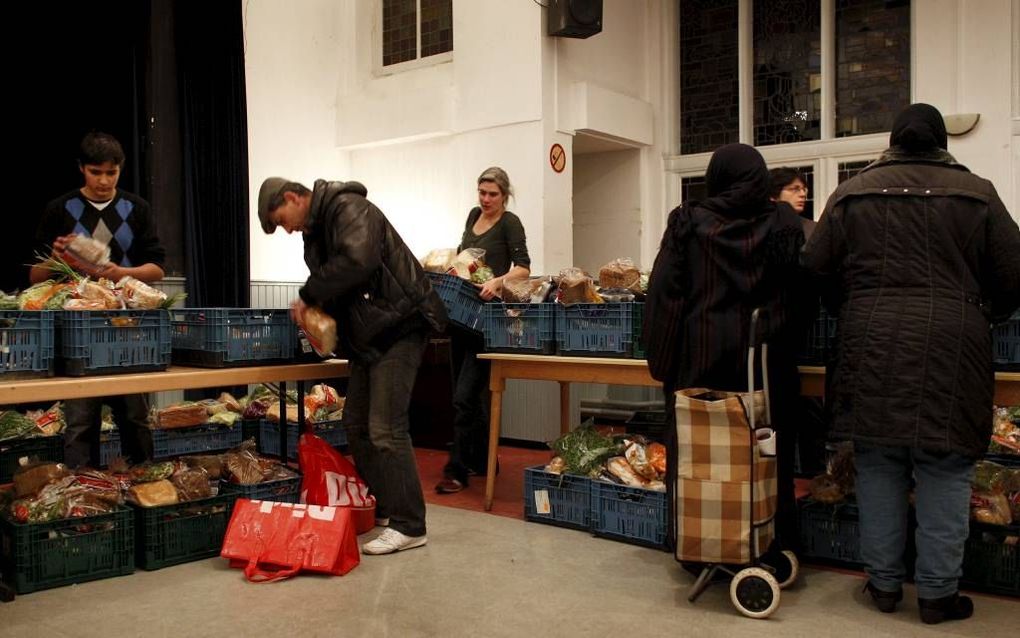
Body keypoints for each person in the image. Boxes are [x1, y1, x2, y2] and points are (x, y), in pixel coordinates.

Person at [802, 103, 1020, 624]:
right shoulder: (978, 193)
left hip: (869, 339)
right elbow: (1014, 274)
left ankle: (882, 586)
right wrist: (981, 311)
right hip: (953, 343)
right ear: (943, 141)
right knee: (946, 467)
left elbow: (814, 265)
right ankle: (938, 596)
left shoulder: (853, 192)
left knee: (878, 463)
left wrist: (851, 304)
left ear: (893, 140)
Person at [258, 176, 447, 555]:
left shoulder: (349, 207)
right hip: (369, 337)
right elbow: (340, 283)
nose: (286, 229)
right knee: (355, 424)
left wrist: (309, 294)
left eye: (282, 220)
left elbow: (358, 261)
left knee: (385, 427)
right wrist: (317, 313)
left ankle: (411, 524)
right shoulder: (315, 232)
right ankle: (387, 507)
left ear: (294, 197)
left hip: (400, 326)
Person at [644, 143, 808, 553]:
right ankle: (768, 541)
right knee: (766, 457)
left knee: (701, 458)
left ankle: (698, 543)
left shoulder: (688, 222)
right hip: (764, 366)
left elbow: (666, 294)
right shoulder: (784, 222)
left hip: (700, 362)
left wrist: (662, 363)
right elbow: (799, 295)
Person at [33, 132, 166, 467]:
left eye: (112, 172)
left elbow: (158, 270)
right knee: (79, 422)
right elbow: (34, 276)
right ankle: (84, 498)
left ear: (120, 169)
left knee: (135, 417)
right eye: (96, 172)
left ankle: (144, 488)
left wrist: (118, 273)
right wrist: (56, 258)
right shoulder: (60, 209)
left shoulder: (136, 208)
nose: (104, 180)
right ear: (82, 169)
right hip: (77, 333)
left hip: (125, 329)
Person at [435, 167, 530, 494]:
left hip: (487, 321)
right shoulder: (473, 215)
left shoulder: (510, 223)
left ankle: (457, 470)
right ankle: (484, 458)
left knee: (465, 397)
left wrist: (497, 281)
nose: (486, 199)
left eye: (493, 194)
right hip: (461, 316)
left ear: (505, 195)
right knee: (469, 397)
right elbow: (467, 257)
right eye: (482, 192)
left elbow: (523, 268)